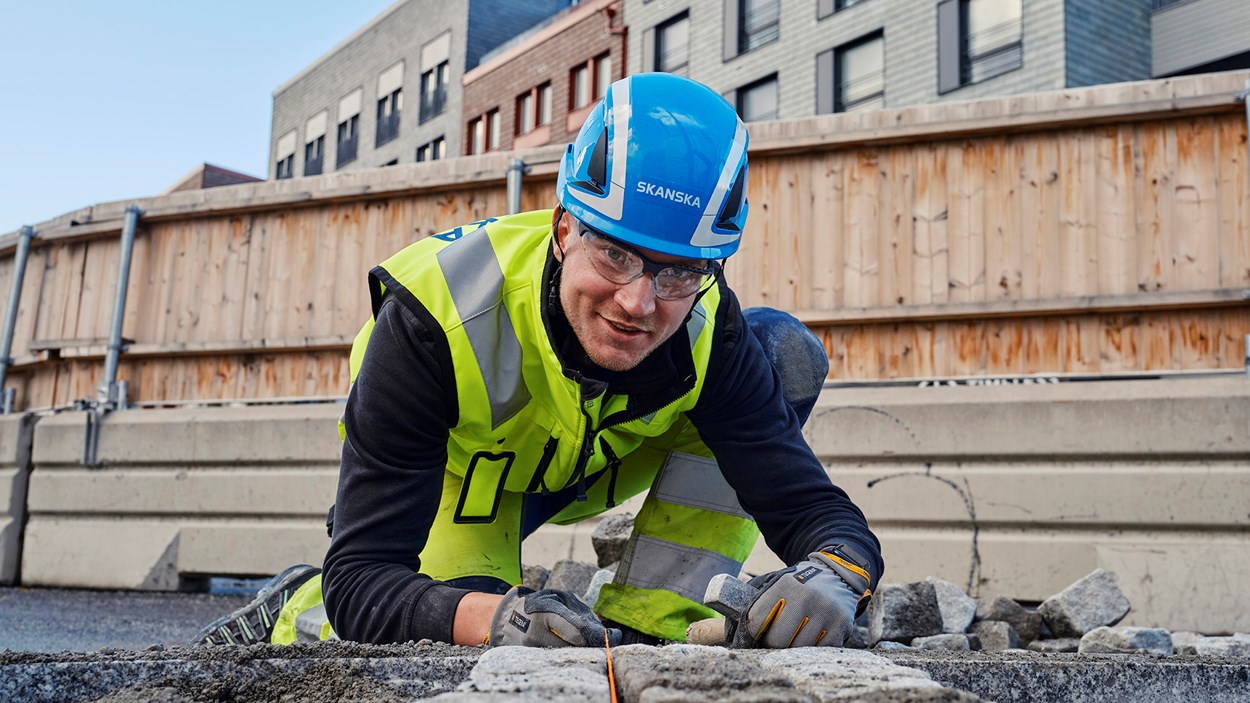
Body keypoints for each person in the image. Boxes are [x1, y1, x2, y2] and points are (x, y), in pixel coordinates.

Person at [197, 73, 882, 650]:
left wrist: (836, 574)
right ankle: (295, 605)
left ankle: (648, 623)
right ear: (563, 231)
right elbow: (365, 580)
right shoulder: (434, 313)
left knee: (781, 352)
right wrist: (498, 617)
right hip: (464, 475)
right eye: (615, 253)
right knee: (451, 629)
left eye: (679, 271)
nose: (640, 301)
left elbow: (811, 506)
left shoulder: (710, 327)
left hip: (590, 462)